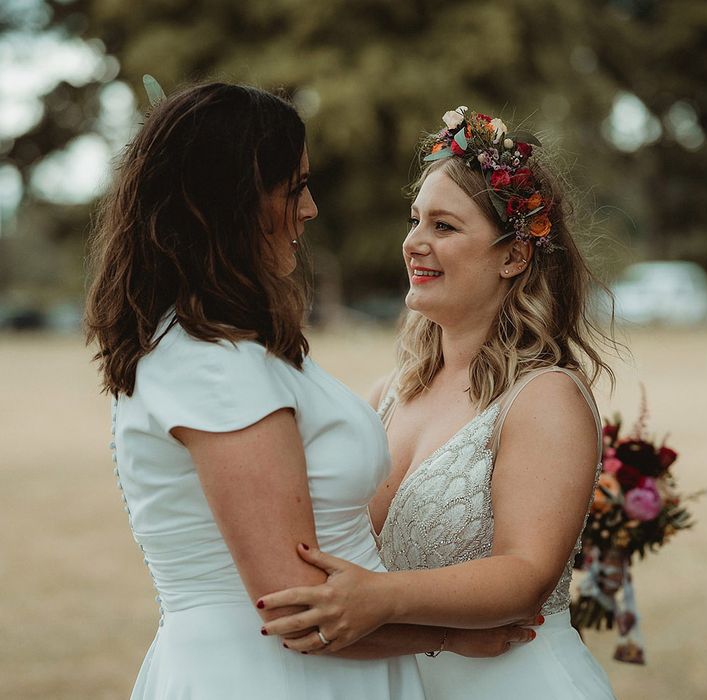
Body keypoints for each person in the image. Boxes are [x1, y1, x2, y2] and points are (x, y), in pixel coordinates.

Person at [85, 86, 538, 699]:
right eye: (295, 187)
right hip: (274, 678)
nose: (311, 209)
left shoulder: (221, 345)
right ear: (236, 201)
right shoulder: (213, 366)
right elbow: (298, 610)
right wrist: (446, 636)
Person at [258, 107, 618, 699]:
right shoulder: (387, 395)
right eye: (414, 220)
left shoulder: (544, 397)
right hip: (407, 680)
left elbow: (526, 574)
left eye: (444, 227)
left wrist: (384, 598)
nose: (414, 243)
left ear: (513, 256)